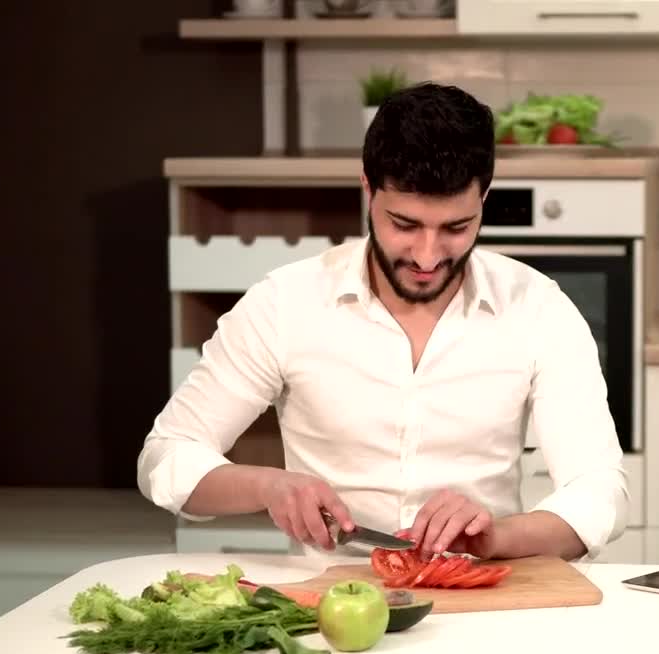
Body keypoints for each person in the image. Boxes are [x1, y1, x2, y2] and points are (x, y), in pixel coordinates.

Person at [137, 82, 629, 562]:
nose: (428, 256)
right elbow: (166, 457)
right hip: (328, 606)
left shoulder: (538, 307)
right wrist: (268, 486)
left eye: (455, 228)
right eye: (404, 224)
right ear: (368, 190)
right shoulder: (284, 303)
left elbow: (601, 492)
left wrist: (494, 537)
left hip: (483, 597)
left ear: (484, 199)